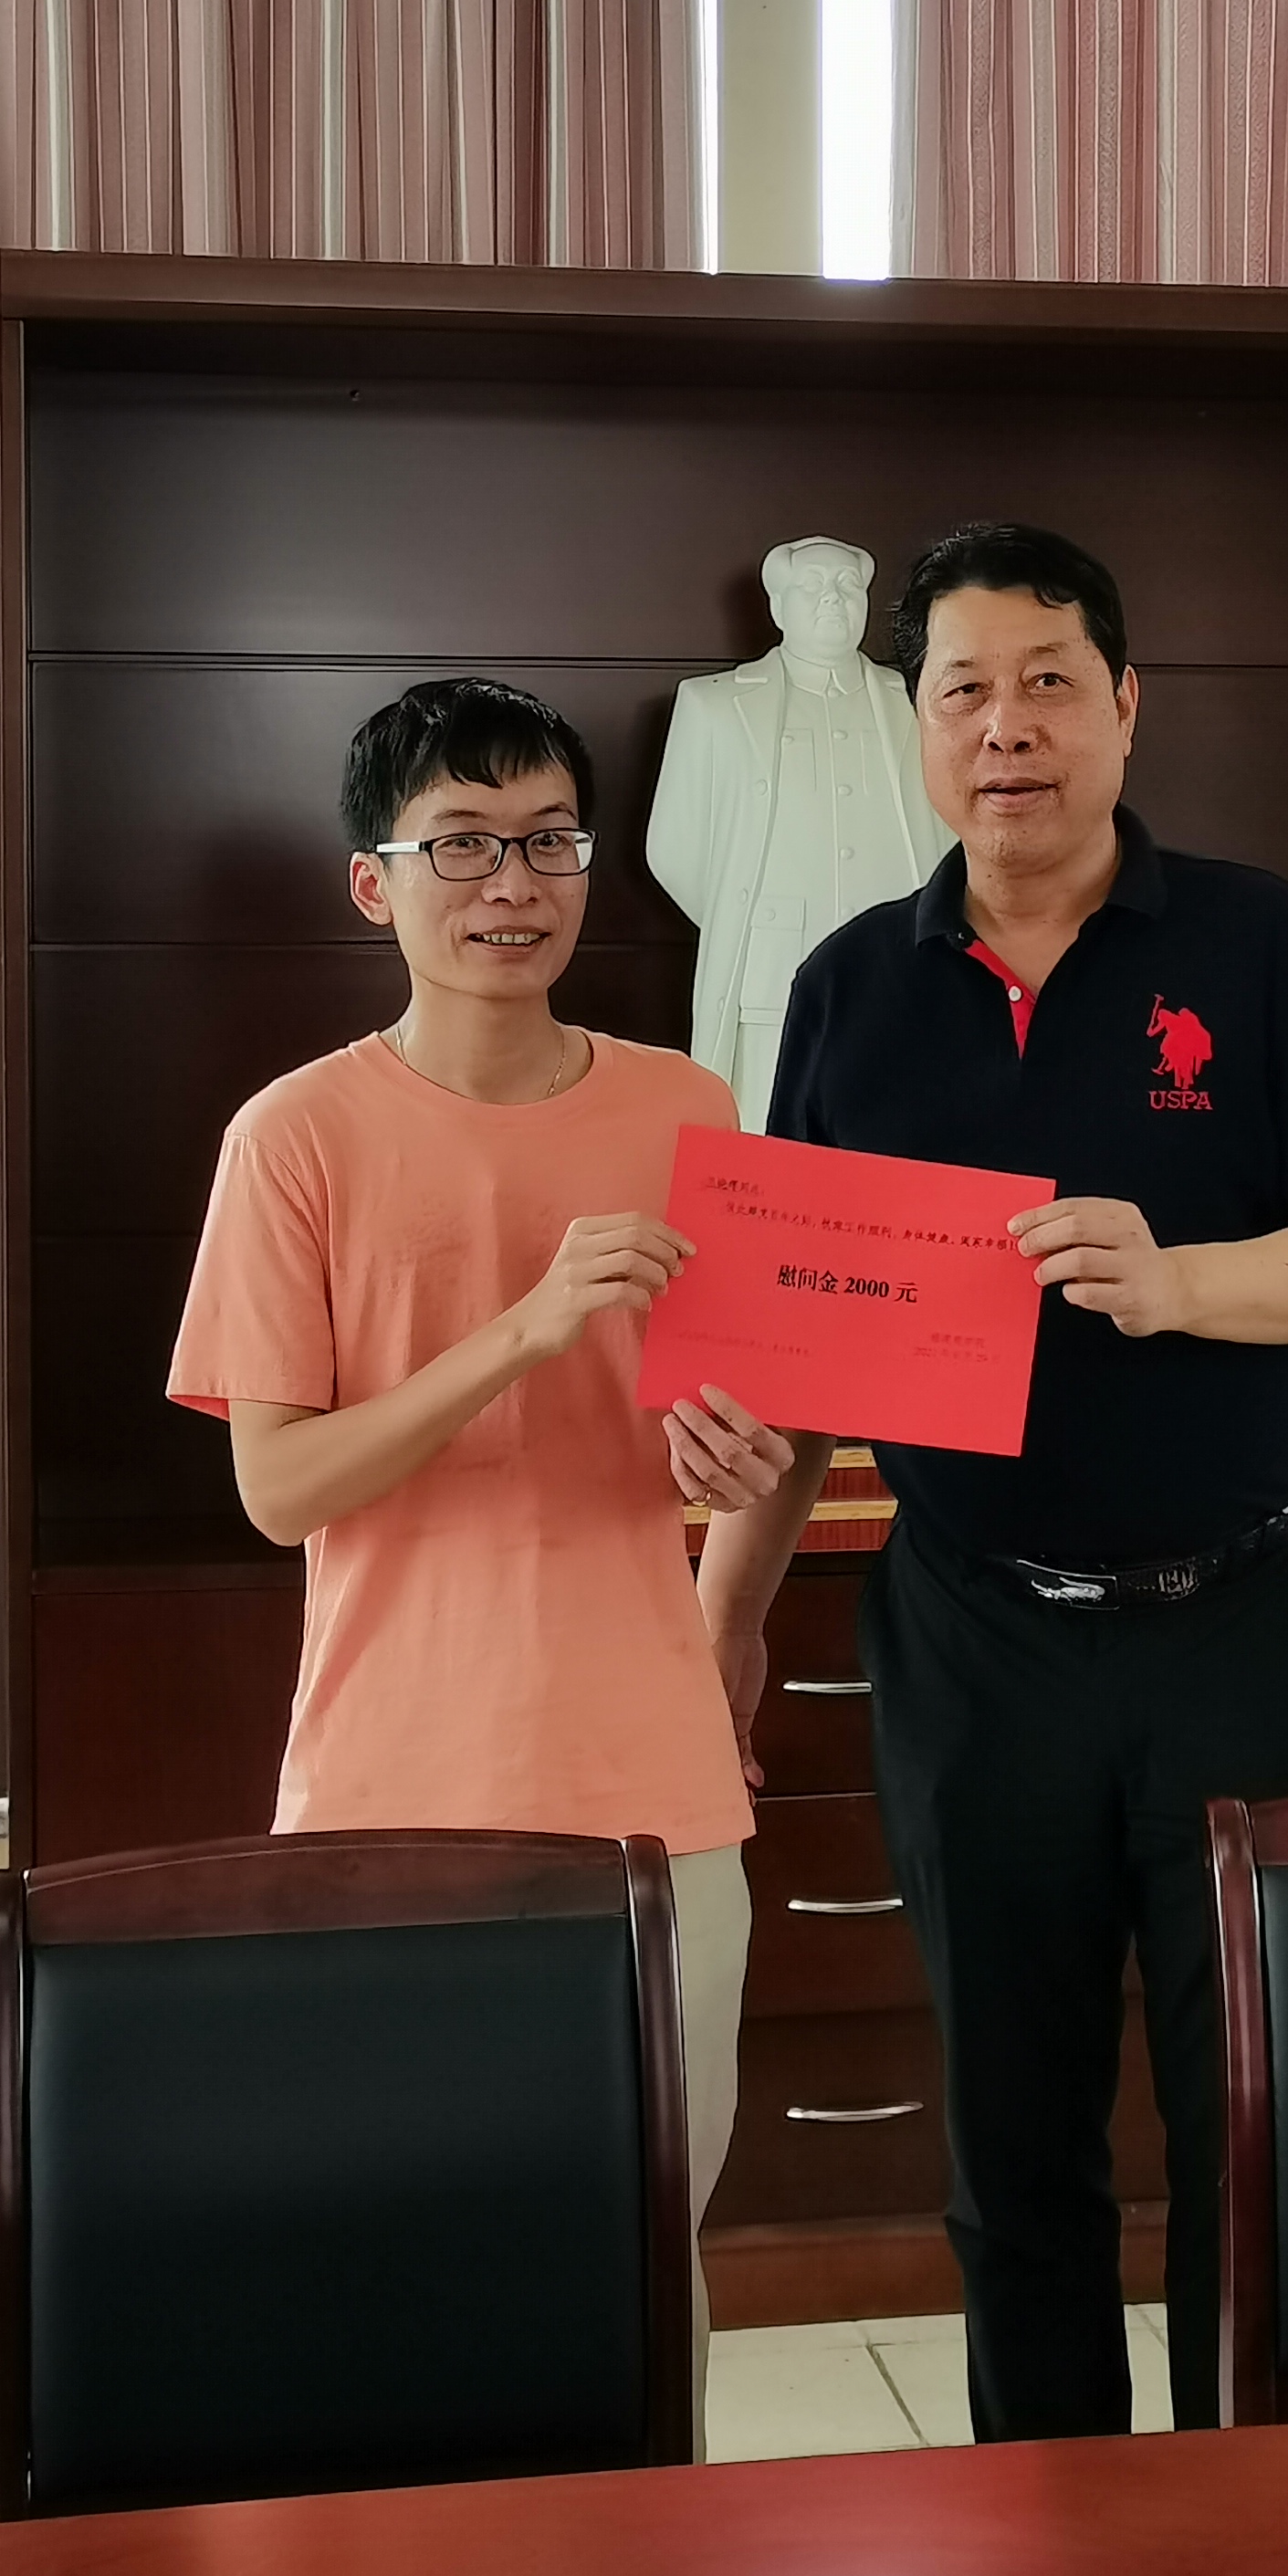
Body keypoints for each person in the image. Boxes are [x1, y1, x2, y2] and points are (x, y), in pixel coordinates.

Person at [695, 527, 1288, 2442]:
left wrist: (1177, 1285)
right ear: (920, 729)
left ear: (1123, 706)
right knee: (1014, 2153)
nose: (1004, 726)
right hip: (978, 1643)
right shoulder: (852, 989)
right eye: (964, 690)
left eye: (1046, 683)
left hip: (1253, 1628)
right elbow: (800, 1344)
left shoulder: (1256, 943)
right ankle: (1051, 2535)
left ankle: (1250, 2535)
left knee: (1255, 2131)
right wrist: (723, 1622)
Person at [167, 675, 802, 2399]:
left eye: (548, 842)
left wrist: (741, 1466)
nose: (513, 884)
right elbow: (280, 1488)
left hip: (656, 1786)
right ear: (373, 883)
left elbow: (756, 1437)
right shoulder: (293, 1137)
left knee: (642, 2263)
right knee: (399, 2259)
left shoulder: (692, 1108)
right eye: (462, 844)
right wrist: (521, 1332)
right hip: (392, 1789)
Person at [647, 536, 953, 1128]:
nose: (832, 599)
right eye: (812, 586)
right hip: (768, 974)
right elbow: (673, 849)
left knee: (896, 1138)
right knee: (766, 1139)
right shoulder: (713, 705)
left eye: (847, 586)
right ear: (777, 606)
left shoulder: (917, 702)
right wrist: (744, 916)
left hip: (898, 970)